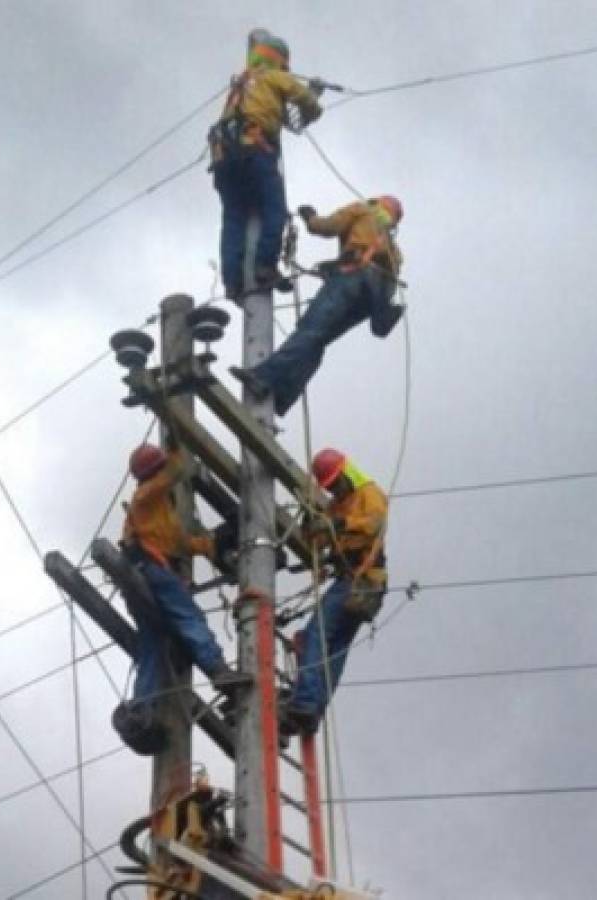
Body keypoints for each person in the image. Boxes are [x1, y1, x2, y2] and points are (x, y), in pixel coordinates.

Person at [114, 444, 250, 753]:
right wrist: (178, 445)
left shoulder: (158, 514)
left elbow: (181, 544)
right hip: (152, 573)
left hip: (140, 582)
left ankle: (142, 709)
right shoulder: (146, 497)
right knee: (189, 618)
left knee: (152, 647)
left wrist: (212, 545)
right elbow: (172, 474)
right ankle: (219, 670)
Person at [230, 195, 405, 416]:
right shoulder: (390, 246)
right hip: (370, 300)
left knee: (311, 331)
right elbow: (390, 274)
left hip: (352, 278)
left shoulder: (362, 210)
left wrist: (310, 217)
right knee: (318, 340)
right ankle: (283, 393)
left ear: (376, 203)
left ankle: (263, 377)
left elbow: (327, 227)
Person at [210, 29, 323, 300]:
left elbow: (280, 115)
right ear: (281, 61)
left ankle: (232, 282)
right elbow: (308, 108)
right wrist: (314, 93)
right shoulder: (275, 77)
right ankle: (264, 266)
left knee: (234, 218)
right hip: (256, 153)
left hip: (224, 160)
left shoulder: (241, 84)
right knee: (275, 210)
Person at [282, 448, 388, 736]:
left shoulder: (369, 493)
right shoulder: (335, 506)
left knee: (315, 635)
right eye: (328, 486)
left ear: (345, 473)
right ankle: (313, 709)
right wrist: (310, 522)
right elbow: (316, 541)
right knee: (334, 649)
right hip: (351, 580)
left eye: (334, 483)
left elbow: (374, 525)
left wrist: (339, 524)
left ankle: (305, 701)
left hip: (360, 579)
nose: (333, 489)